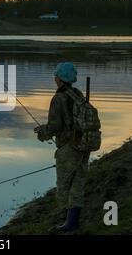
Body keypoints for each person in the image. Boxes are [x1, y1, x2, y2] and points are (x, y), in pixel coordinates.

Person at [34, 62, 89, 233]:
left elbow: (56, 126)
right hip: (83, 143)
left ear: (60, 78)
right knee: (78, 182)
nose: (54, 78)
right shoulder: (77, 94)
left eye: (56, 75)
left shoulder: (59, 98)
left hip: (68, 147)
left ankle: (68, 222)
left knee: (64, 185)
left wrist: (43, 132)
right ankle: (72, 221)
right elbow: (70, 122)